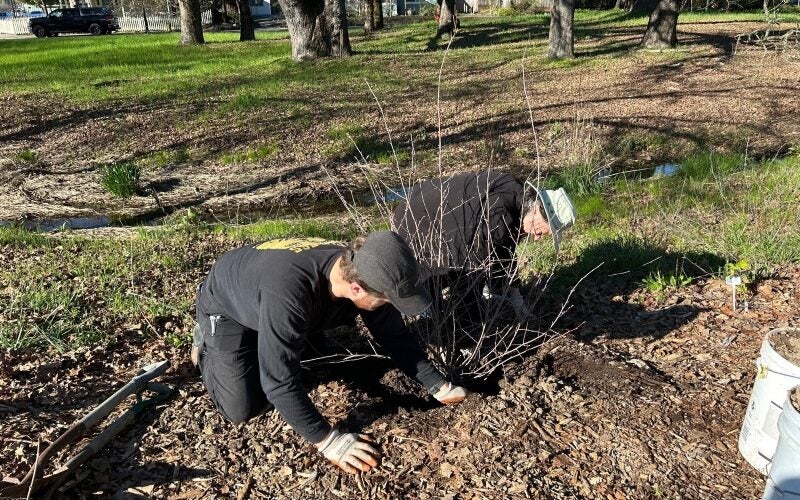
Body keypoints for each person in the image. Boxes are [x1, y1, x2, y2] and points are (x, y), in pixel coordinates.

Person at [190, 231, 466, 474]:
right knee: (241, 408)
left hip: (272, 294)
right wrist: (329, 441)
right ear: (356, 288)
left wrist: (438, 384)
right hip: (228, 304)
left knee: (308, 353)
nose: (387, 305)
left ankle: (275, 332)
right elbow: (278, 381)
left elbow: (394, 336)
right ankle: (205, 343)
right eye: (386, 300)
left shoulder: (361, 267)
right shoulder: (290, 294)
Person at [392, 171, 576, 318]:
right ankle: (428, 319)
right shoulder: (497, 218)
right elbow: (471, 271)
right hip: (417, 224)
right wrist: (470, 321)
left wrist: (516, 297)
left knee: (477, 267)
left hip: (422, 204)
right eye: (541, 231)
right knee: (447, 283)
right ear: (536, 211)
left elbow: (505, 249)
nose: (537, 238)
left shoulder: (516, 193)